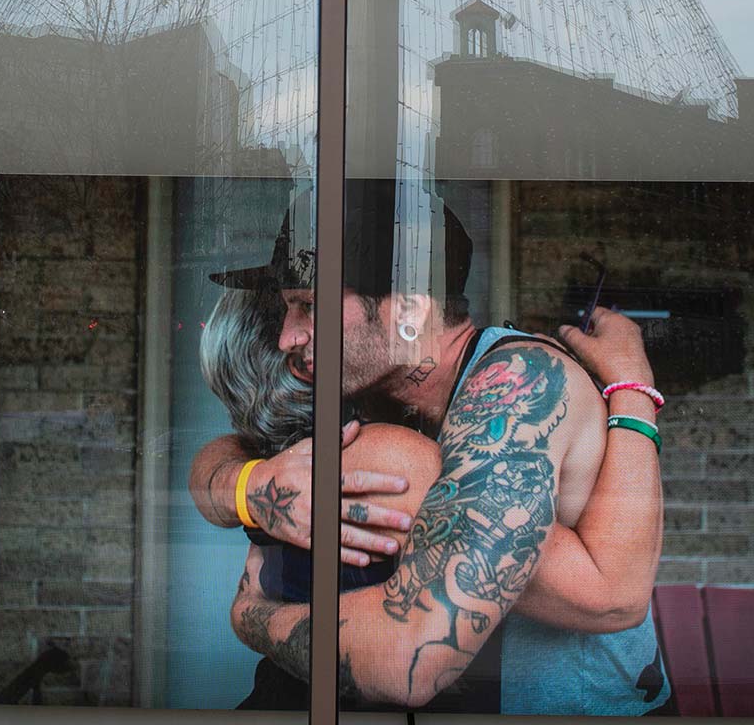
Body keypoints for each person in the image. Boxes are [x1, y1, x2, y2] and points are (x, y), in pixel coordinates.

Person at [196, 194, 669, 713]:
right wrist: (248, 488)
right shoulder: (379, 386)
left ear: (408, 312)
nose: (288, 336)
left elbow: (411, 660)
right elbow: (226, 452)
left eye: (309, 306)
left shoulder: (515, 385)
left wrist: (252, 616)